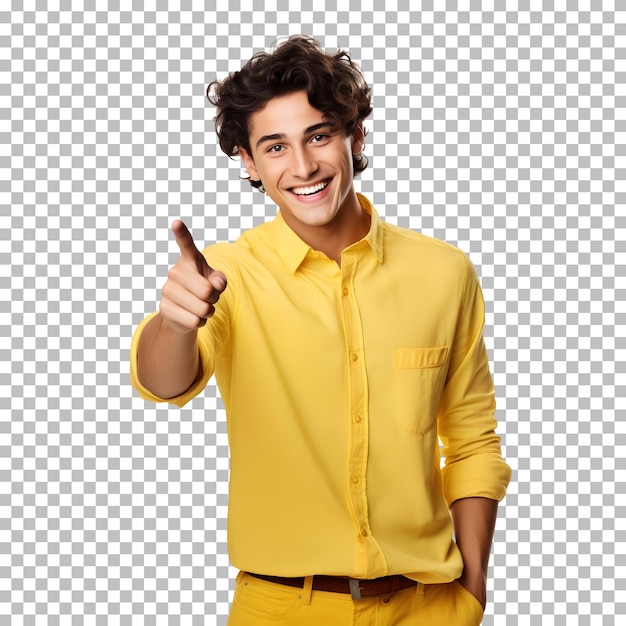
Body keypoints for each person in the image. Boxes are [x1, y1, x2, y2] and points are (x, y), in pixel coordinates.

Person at [130, 35, 511, 625]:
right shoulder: (228, 276)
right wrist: (175, 323)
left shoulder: (443, 272)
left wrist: (474, 586)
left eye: (318, 135)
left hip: (430, 607)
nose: (303, 167)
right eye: (275, 146)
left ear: (354, 137)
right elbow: (163, 382)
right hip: (281, 608)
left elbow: (472, 440)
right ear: (249, 164)